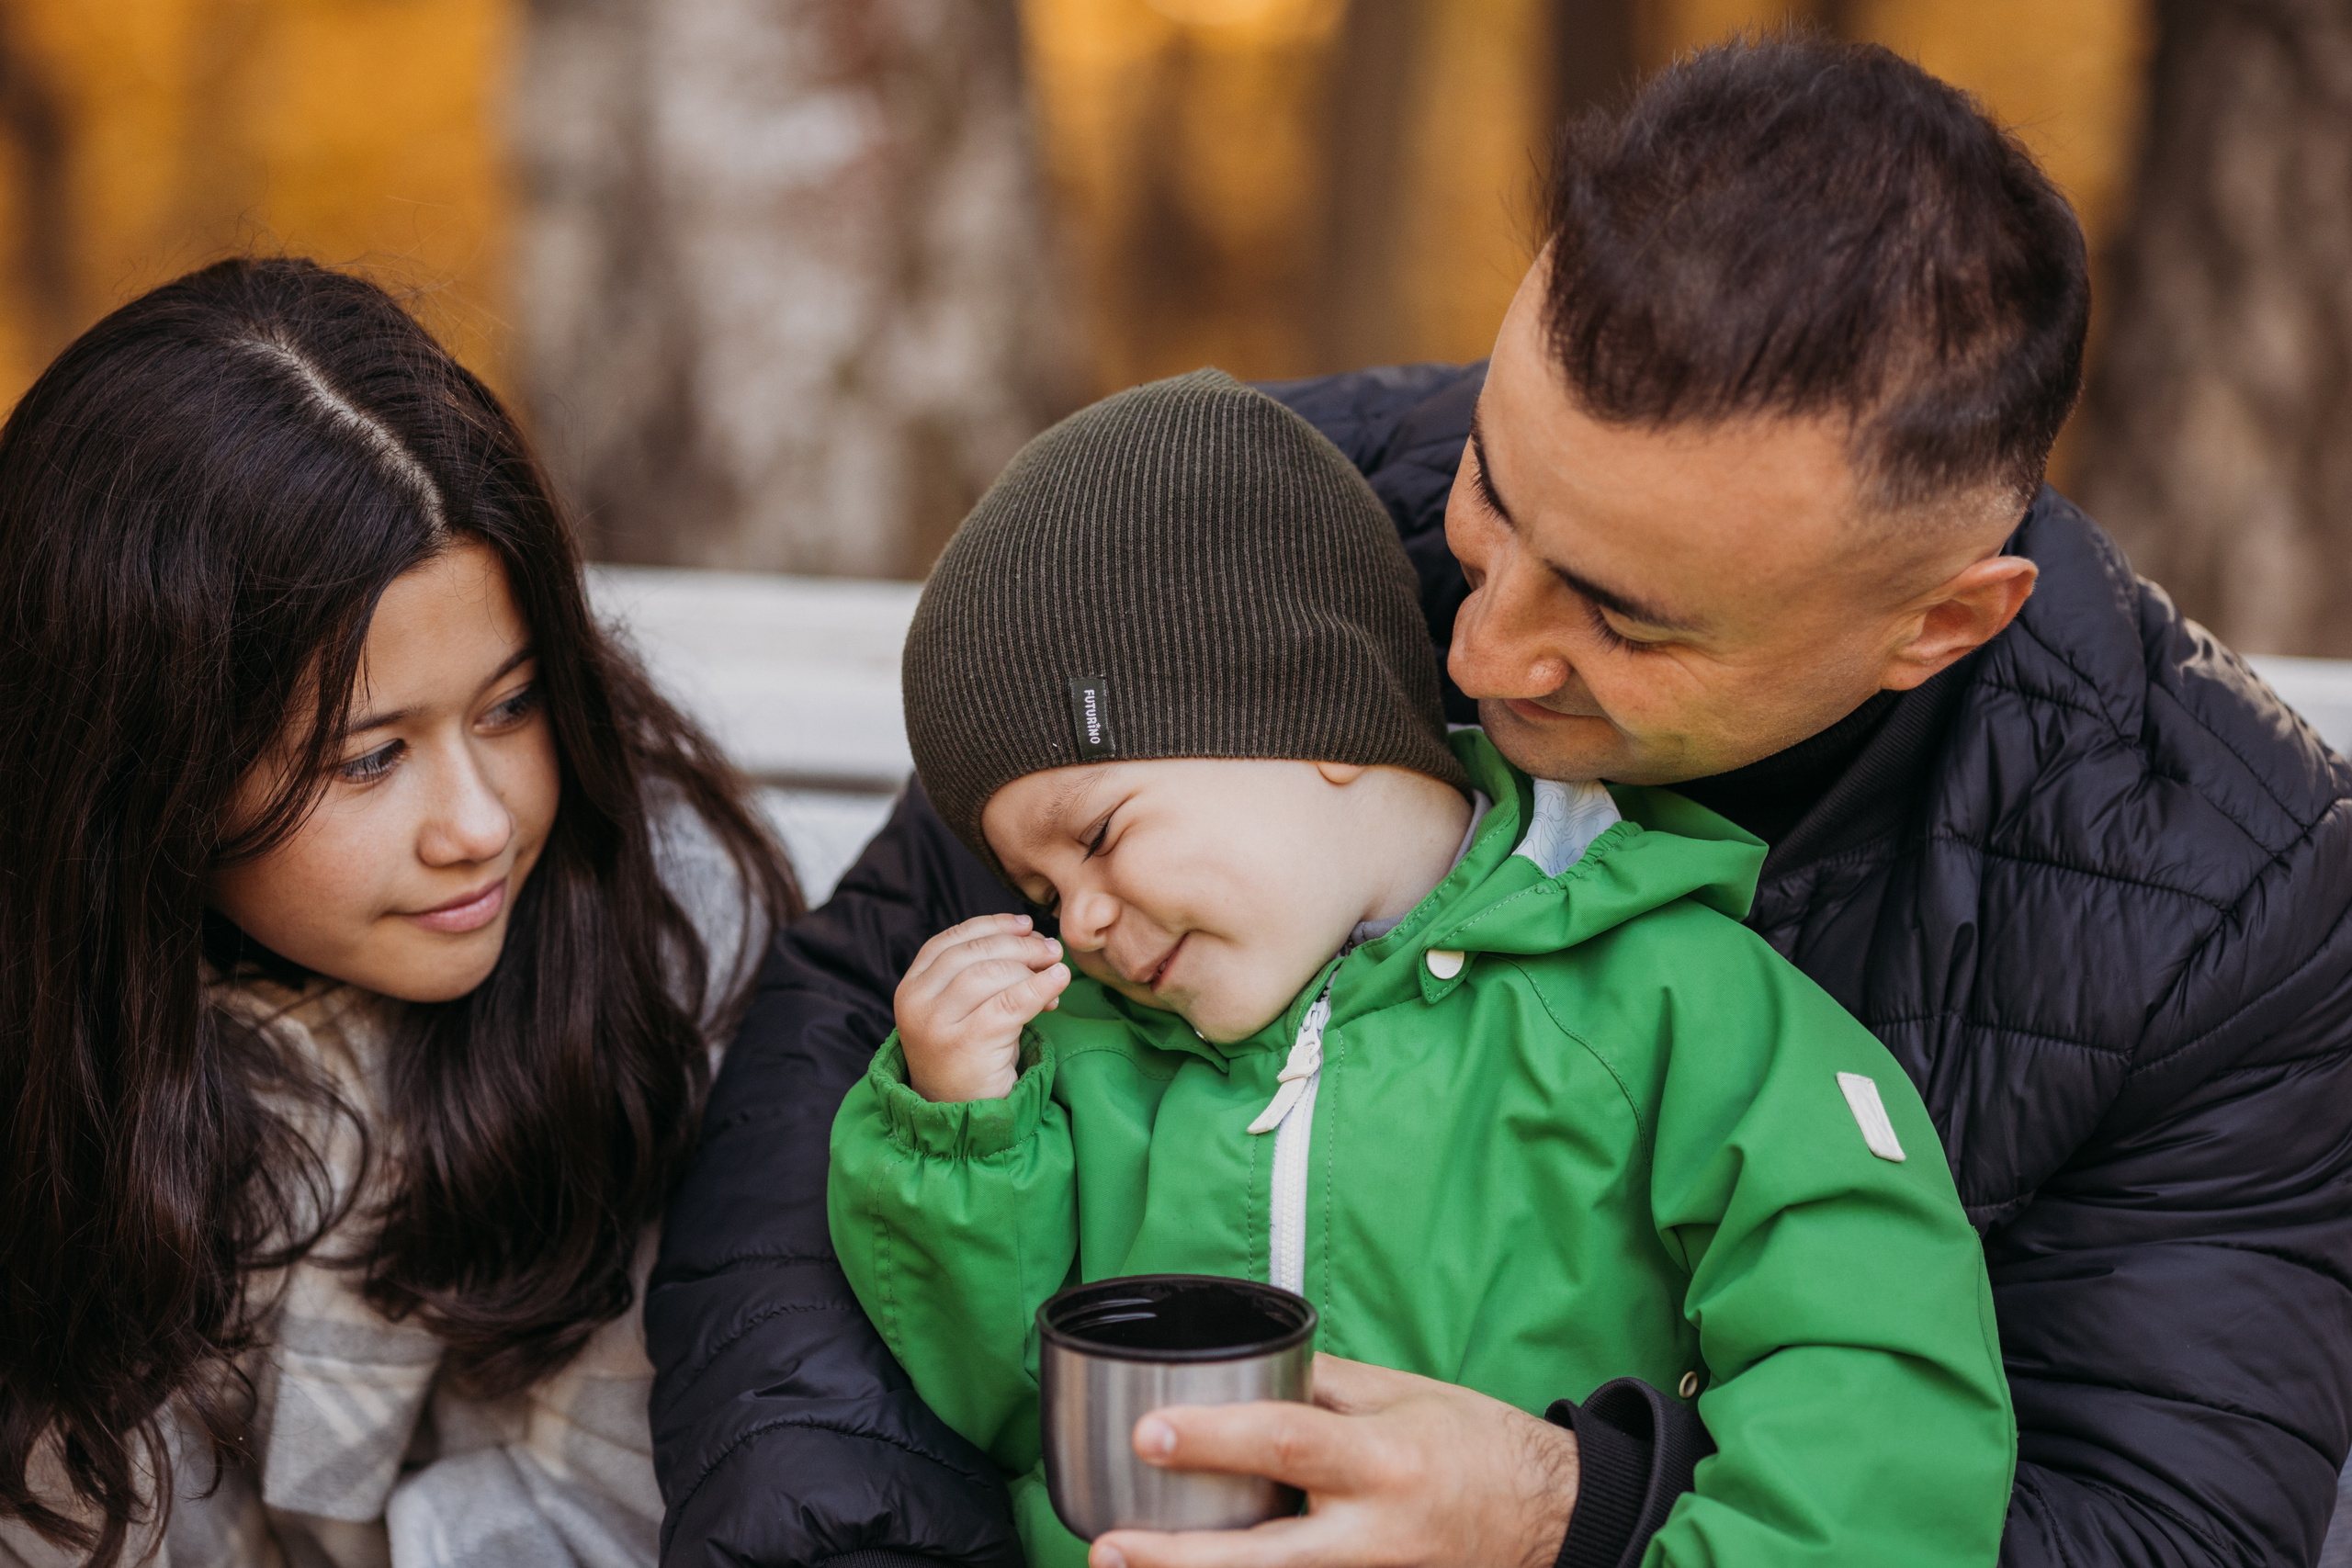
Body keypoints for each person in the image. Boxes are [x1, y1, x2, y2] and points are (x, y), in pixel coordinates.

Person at [648, 35, 2352, 1568]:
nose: (1478, 642)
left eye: (1621, 615)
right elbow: (844, 1049)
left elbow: (2146, 1514)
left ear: (1940, 623)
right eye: (1494, 490)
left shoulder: (2227, 899)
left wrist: (1582, 1514)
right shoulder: (1240, 538)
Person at [829, 368, 2016, 1568]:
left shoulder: (1676, 1005)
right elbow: (1004, 1401)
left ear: (1308, 708)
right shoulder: (1088, 1061)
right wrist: (958, 1143)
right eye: (1038, 893)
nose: (1079, 922)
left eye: (1096, 839)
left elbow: (1875, 1398)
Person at [0, 258, 797, 1568]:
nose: (478, 824)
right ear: (144, 779)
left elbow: (621, 1505)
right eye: (371, 759)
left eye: (513, 705)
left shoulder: (656, 942)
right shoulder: (62, 1046)